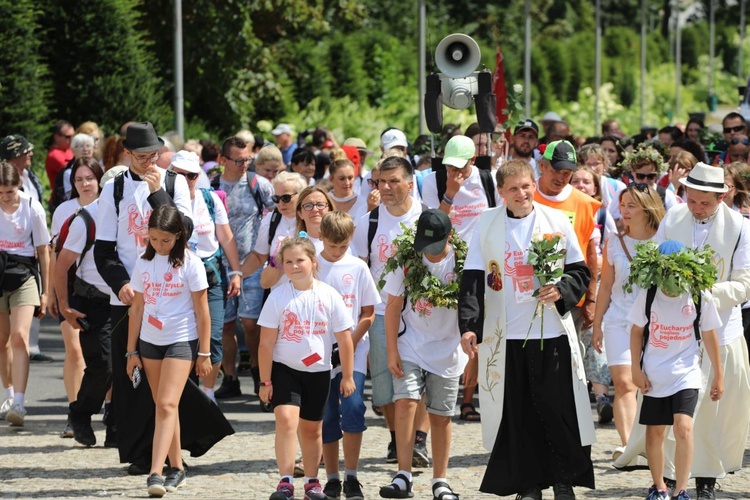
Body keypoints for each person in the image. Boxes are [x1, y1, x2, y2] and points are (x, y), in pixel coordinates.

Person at [95, 121, 231, 474]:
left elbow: (184, 231)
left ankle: (176, 454)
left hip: (172, 297)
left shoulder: (173, 182)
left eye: (153, 155)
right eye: (141, 156)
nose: (148, 162)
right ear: (127, 154)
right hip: (130, 296)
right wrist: (121, 283)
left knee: (172, 386)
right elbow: (104, 249)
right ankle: (141, 454)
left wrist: (159, 193)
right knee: (132, 380)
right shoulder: (114, 189)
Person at [458, 159, 594, 500]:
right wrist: (470, 327)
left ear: (534, 184)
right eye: (514, 188)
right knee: (518, 413)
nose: (522, 193)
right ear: (501, 192)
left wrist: (560, 290)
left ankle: (563, 481)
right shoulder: (486, 223)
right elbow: (473, 279)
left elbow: (579, 271)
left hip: (550, 331)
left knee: (556, 408)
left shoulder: (555, 220)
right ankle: (528, 483)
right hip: (506, 336)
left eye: (526, 186)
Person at [614, 162, 750, 499]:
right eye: (692, 200)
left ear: (723, 196)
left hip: (718, 326)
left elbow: (744, 284)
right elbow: (651, 263)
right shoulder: (673, 218)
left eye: (706, 202)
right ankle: (671, 476)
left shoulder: (740, 228)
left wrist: (703, 293)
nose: (697, 208)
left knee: (709, 411)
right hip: (671, 331)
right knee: (669, 406)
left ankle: (705, 477)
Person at [258, 236, 355, 500]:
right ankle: (285, 480)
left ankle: (312, 482)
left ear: (313, 262)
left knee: (312, 429)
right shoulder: (277, 297)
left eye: (300, 260)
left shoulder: (329, 294)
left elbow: (345, 339)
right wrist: (265, 381)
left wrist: (347, 375)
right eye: (288, 262)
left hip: (319, 372)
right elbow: (265, 343)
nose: (294, 266)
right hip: (285, 369)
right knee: (287, 420)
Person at [378, 209, 467, 500]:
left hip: (448, 347)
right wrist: (392, 350)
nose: (429, 253)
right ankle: (403, 475)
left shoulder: (464, 262)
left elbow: (476, 304)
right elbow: (392, 307)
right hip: (411, 343)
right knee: (405, 402)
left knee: (441, 416)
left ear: (449, 237)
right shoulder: (406, 260)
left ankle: (440, 480)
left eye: (436, 247)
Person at [126, 206, 212, 497]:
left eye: (165, 240)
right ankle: (177, 467)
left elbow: (203, 312)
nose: (159, 245)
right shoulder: (142, 262)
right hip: (150, 341)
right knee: (166, 407)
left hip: (181, 339)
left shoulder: (191, 263)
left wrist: (204, 352)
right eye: (153, 239)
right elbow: (136, 308)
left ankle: (155, 472)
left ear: (178, 235)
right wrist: (130, 352)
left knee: (165, 405)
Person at [627, 240, 724, 500]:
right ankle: (658, 487)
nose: (671, 277)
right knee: (656, 432)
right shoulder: (647, 295)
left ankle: (682, 489)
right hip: (655, 374)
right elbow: (636, 332)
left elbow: (710, 334)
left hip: (687, 372)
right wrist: (635, 369)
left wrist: (718, 374)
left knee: (683, 427)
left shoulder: (698, 294)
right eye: (665, 271)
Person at [351, 156, 426, 465]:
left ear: (410, 184)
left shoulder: (426, 219)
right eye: (382, 181)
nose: (388, 187)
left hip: (421, 313)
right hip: (381, 313)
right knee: (385, 385)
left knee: (419, 378)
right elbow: (357, 268)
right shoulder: (368, 222)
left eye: (395, 181)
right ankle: (399, 438)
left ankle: (417, 441)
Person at [592, 183, 665, 459]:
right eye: (622, 205)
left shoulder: (664, 241)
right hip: (618, 321)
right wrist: (598, 324)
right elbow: (607, 286)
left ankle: (652, 444)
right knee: (624, 383)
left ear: (648, 207)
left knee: (652, 385)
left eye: (632, 205)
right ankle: (628, 446)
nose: (624, 211)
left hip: (654, 324)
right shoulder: (613, 241)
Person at [168, 151, 243, 402]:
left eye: (191, 175)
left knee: (212, 334)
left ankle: (208, 394)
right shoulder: (162, 202)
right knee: (181, 336)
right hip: (177, 276)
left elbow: (226, 237)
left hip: (210, 274)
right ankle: (182, 394)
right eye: (179, 175)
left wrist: (236, 272)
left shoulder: (209, 199)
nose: (185, 180)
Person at [317, 212, 379, 500]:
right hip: (318, 354)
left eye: (343, 246)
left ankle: (351, 475)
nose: (337, 252)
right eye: (332, 246)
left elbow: (368, 313)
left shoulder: (357, 267)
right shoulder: (313, 264)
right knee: (327, 414)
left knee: (353, 408)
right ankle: (331, 478)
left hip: (353, 351)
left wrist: (349, 345)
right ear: (321, 237)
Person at [53, 160, 115, 447]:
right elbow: (61, 264)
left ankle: (117, 424)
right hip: (94, 301)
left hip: (128, 303)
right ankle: (80, 412)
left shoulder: (132, 218)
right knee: (103, 365)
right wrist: (64, 306)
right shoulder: (85, 219)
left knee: (129, 366)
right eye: (80, 179)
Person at [212, 136, 275, 400]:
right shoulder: (212, 187)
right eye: (238, 160)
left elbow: (276, 215)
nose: (243, 164)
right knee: (224, 326)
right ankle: (230, 377)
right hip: (220, 265)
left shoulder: (258, 185)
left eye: (247, 159)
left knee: (250, 322)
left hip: (252, 264)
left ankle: (261, 373)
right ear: (222, 160)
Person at [0, 161, 50, 426]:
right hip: (0, 271)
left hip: (25, 274)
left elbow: (44, 250)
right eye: (0, 193)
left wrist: (45, 291)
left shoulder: (32, 207)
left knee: (20, 335)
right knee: (1, 339)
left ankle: (19, 402)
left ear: (18, 185)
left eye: (9, 192)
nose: (5, 198)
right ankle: (7, 395)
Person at [45, 120, 75, 192]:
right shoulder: (54, 155)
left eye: (73, 136)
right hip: (60, 199)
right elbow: (74, 172)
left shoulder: (70, 149)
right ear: (57, 137)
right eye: (68, 137)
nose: (72, 139)